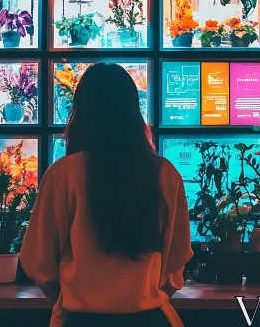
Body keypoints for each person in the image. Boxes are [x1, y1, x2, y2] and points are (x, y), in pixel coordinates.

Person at [21, 63, 193, 327]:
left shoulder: (63, 174)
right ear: (134, 112)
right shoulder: (165, 174)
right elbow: (176, 263)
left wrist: (77, 301)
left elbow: (39, 264)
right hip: (151, 317)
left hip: (81, 318)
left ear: (81, 113)